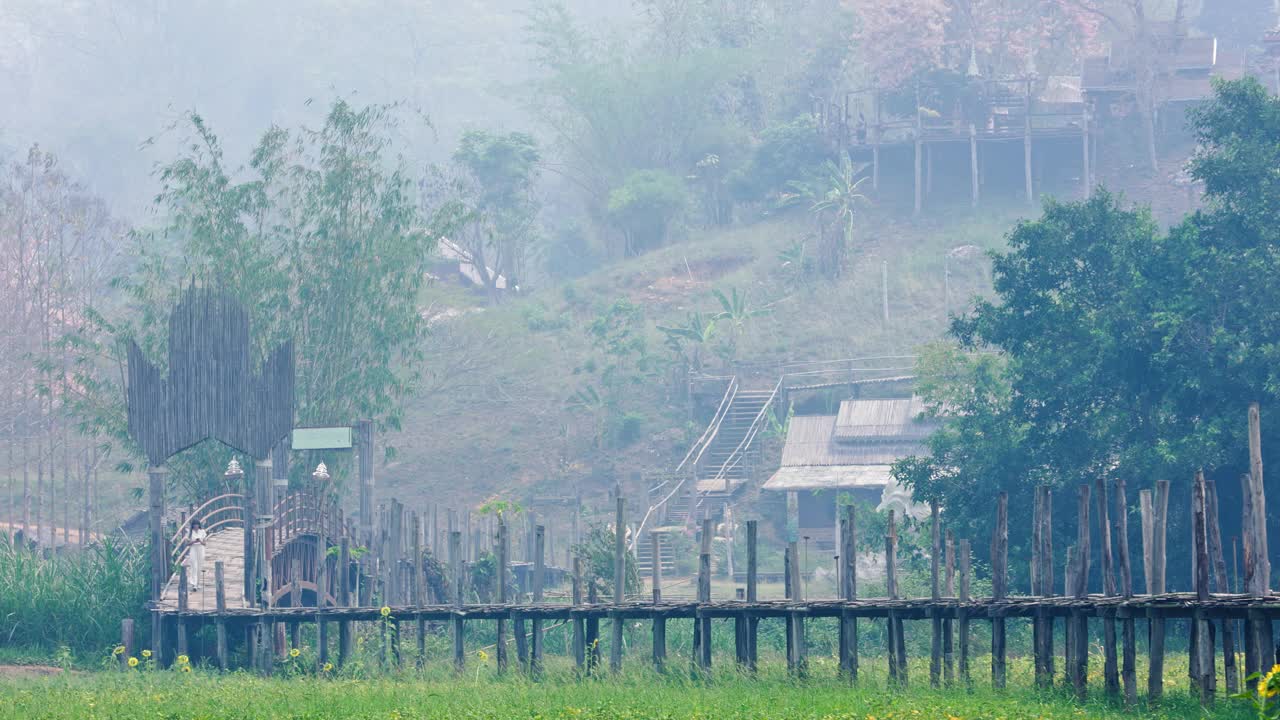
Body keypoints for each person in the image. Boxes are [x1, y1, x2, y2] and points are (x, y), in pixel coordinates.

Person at [187, 520, 207, 591]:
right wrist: (194, 541)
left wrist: (200, 541)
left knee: (199, 566)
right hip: (193, 549)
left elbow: (205, 543)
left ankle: (198, 583)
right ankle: (194, 584)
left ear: (199, 525)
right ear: (192, 525)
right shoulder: (189, 532)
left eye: (197, 524)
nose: (196, 526)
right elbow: (188, 543)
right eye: (194, 524)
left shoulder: (202, 532)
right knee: (194, 566)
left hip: (200, 549)